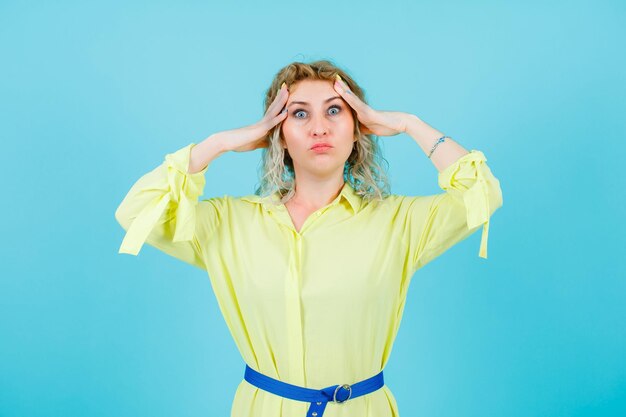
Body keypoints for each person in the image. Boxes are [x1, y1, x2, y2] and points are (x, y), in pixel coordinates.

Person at [115, 60, 503, 417]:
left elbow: (482, 192)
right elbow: (135, 213)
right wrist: (218, 143)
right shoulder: (227, 223)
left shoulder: (400, 222)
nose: (319, 127)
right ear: (278, 133)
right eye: (300, 113)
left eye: (335, 110)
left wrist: (407, 123)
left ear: (358, 128)